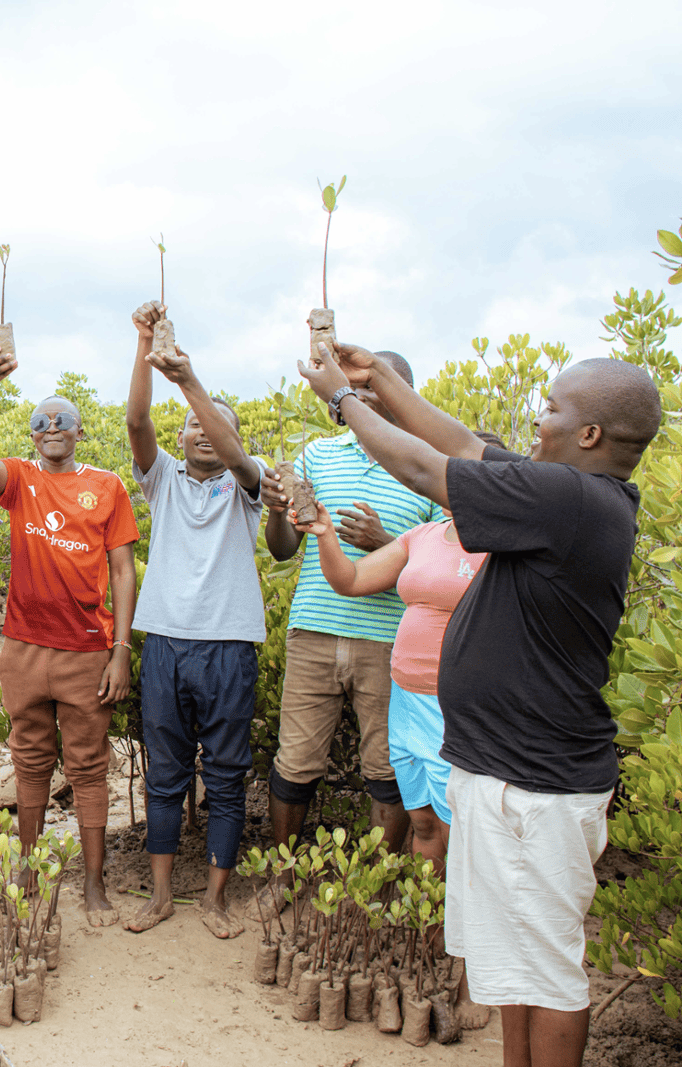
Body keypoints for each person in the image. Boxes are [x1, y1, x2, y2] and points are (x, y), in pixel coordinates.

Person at [296, 342, 662, 1067]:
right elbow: (462, 442)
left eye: (553, 407)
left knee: (549, 973)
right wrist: (384, 380)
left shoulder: (571, 500)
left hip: (539, 786)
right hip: (503, 772)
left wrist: (344, 399)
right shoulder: (562, 492)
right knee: (513, 967)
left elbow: (425, 466)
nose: (538, 416)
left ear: (589, 435)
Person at [295, 432, 495, 1031]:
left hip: (462, 709)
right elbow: (351, 582)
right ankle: (429, 943)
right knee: (427, 825)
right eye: (457, 475)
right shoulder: (425, 536)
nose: (461, 486)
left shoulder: (507, 547)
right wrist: (326, 533)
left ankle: (472, 975)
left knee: (468, 841)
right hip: (409, 702)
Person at [253, 347, 443, 917]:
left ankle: (371, 890)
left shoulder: (427, 468)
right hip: (314, 629)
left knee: (384, 769)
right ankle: (283, 878)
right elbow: (284, 549)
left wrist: (381, 541)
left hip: (389, 639)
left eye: (376, 391)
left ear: (402, 395)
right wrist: (277, 512)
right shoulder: (318, 454)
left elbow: (439, 567)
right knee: (295, 761)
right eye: (356, 392)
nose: (363, 401)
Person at [0, 349, 138, 928]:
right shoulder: (20, 480)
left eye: (62, 419)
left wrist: (122, 650)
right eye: (40, 421)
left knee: (88, 767)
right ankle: (29, 869)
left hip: (88, 651)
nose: (52, 427)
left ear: (81, 431)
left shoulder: (107, 486)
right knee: (30, 760)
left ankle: (93, 884)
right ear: (32, 437)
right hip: (22, 649)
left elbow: (122, 571)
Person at [118, 303, 266, 939]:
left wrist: (192, 383)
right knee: (167, 772)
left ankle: (215, 897)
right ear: (179, 440)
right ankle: (158, 895)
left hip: (230, 648)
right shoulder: (164, 482)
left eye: (214, 425)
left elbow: (233, 450)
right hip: (168, 646)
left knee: (227, 776)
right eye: (191, 426)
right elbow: (135, 420)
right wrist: (147, 344)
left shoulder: (247, 485)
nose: (201, 432)